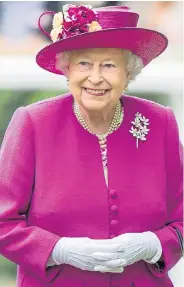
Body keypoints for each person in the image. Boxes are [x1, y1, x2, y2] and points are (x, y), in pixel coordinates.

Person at [0, 4, 183, 287]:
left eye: (109, 65)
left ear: (128, 73)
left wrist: (154, 244)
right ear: (67, 69)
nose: (95, 78)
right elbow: (3, 223)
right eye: (84, 63)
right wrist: (59, 250)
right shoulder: (32, 123)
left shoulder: (161, 122)